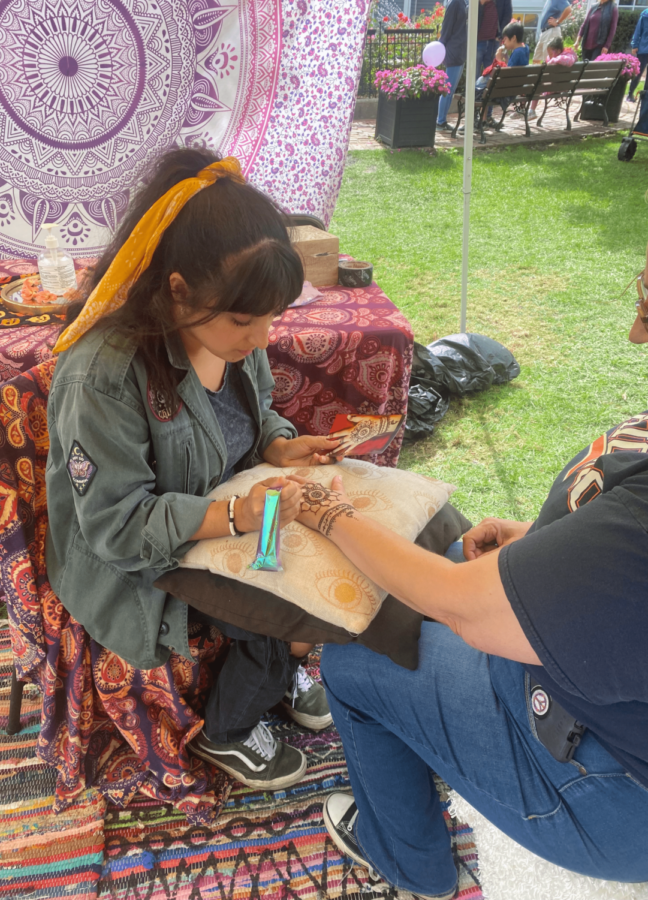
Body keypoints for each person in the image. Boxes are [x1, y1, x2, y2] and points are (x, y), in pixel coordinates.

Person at [291, 289, 648, 895]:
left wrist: (326, 513)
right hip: (587, 693)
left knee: (353, 662)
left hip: (606, 780)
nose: (636, 333)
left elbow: (462, 605)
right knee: (450, 554)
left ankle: (414, 867)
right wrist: (545, 534)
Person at [45, 148, 343, 793]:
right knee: (275, 606)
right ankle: (228, 731)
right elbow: (116, 529)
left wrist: (281, 445)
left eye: (272, 317)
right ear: (177, 290)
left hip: (228, 516)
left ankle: (281, 669)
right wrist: (237, 514)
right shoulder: (104, 378)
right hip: (139, 563)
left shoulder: (229, 338)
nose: (262, 338)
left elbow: (256, 415)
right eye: (245, 319)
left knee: (336, 560)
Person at [436, 0, 468, 133]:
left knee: (449, 90)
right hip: (454, 52)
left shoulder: (464, 3)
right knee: (447, 90)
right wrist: (441, 46)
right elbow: (447, 27)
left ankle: (441, 120)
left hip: (459, 51)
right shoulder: (456, 4)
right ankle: (440, 121)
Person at [532, 0, 571, 65]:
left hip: (551, 32)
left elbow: (568, 9)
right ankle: (539, 75)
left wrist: (558, 21)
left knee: (549, 63)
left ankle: (547, 75)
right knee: (536, 60)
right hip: (545, 33)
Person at [628, 7, 648, 102]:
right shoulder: (645, 14)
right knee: (638, 73)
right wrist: (635, 45)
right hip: (643, 49)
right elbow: (638, 30)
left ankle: (645, 97)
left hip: (643, 48)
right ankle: (630, 94)